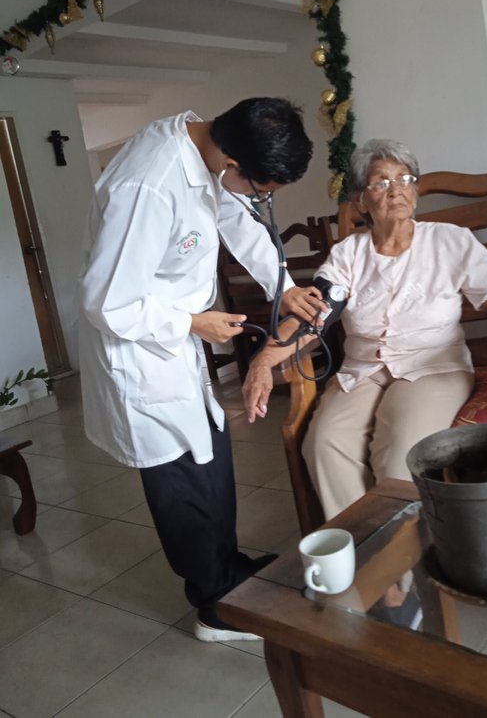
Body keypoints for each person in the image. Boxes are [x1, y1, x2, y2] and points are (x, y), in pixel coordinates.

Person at [76, 98, 326, 642]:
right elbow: (106, 301)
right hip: (141, 351)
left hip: (174, 344)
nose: (263, 202)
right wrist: (194, 323)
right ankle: (214, 607)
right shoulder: (148, 186)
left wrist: (283, 288)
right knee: (183, 481)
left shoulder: (208, 148)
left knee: (212, 456)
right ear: (232, 163)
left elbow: (234, 215)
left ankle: (228, 571)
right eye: (263, 191)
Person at [242, 138, 487, 524]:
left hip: (433, 368)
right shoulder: (348, 254)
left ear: (416, 191)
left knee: (399, 454)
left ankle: (401, 555)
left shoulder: (449, 240)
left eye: (405, 179)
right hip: (363, 372)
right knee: (323, 444)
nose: (396, 189)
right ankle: (366, 545)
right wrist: (265, 358)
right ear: (360, 200)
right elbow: (315, 313)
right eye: (381, 182)